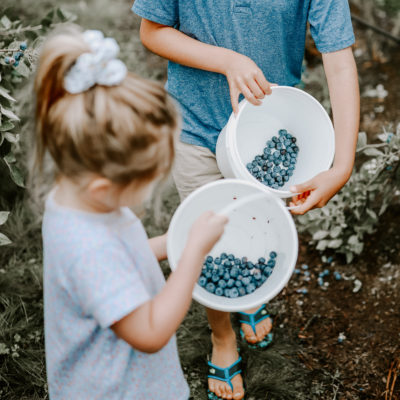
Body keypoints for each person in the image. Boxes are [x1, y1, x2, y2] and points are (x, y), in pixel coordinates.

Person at [132, 1, 360, 399]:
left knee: (256, 230)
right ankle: (222, 336)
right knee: (208, 245)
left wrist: (342, 165)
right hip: (198, 130)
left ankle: (247, 298)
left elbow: (339, 60)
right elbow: (152, 31)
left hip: (268, 130)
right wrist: (227, 61)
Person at [34, 27, 228, 400]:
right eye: (148, 181)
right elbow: (151, 332)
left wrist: (176, 241)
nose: (154, 188)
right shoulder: (89, 250)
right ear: (104, 187)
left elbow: (126, 250)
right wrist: (192, 257)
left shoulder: (74, 201)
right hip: (118, 389)